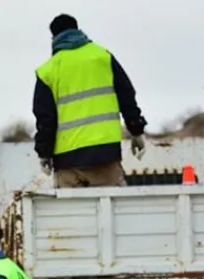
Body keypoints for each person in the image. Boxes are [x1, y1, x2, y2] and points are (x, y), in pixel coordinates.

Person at [33, 13, 148, 188]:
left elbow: (45, 119)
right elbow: (126, 96)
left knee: (70, 213)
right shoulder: (103, 57)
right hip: (105, 154)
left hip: (67, 160)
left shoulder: (47, 71)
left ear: (53, 37)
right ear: (78, 30)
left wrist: (44, 153)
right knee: (111, 211)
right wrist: (136, 130)